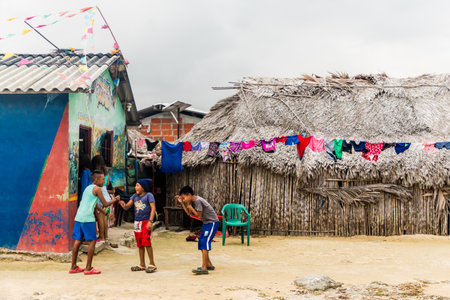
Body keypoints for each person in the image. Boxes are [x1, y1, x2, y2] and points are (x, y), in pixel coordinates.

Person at [69, 170, 117, 275]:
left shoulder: (87, 188)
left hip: (79, 217)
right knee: (92, 241)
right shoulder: (97, 189)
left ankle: (73, 266)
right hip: (88, 218)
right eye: (102, 179)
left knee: (78, 240)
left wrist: (106, 214)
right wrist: (114, 200)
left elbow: (94, 205)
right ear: (96, 179)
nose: (104, 181)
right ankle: (88, 268)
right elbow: (105, 203)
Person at [176, 186, 219, 275]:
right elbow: (188, 213)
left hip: (212, 223)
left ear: (189, 195)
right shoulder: (192, 201)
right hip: (206, 223)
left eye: (184, 198)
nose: (183, 200)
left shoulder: (198, 201)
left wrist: (191, 208)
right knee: (201, 242)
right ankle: (208, 264)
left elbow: (199, 216)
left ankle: (204, 268)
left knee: (204, 242)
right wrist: (183, 204)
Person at [119, 178, 157, 273]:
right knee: (139, 243)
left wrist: (150, 221)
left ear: (143, 187)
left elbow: (153, 208)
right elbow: (127, 207)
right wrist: (123, 205)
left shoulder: (149, 195)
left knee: (147, 242)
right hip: (137, 223)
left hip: (145, 222)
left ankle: (152, 264)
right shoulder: (134, 196)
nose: (136, 187)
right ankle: (142, 264)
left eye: (137, 185)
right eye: (136, 185)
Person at [91, 155, 113, 243]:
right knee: (104, 218)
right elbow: (107, 183)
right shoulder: (105, 172)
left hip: (101, 197)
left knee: (100, 217)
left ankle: (101, 237)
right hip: (107, 195)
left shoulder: (97, 173)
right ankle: (105, 236)